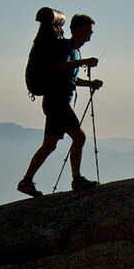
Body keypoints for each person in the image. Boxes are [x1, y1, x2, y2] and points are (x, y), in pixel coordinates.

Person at [18, 11, 103, 196]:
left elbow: (69, 78)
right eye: (88, 30)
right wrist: (84, 62)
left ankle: (26, 181)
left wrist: (90, 84)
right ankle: (77, 180)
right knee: (79, 137)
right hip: (57, 102)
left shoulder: (74, 51)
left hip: (55, 102)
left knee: (50, 144)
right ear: (76, 29)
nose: (90, 34)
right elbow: (59, 67)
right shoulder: (65, 47)